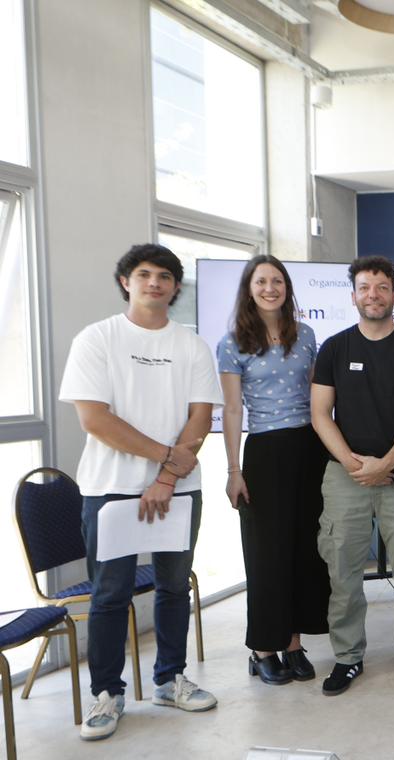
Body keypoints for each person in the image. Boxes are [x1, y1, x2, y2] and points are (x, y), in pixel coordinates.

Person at [61, 243, 223, 741]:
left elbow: (200, 417)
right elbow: (95, 419)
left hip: (180, 489)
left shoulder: (191, 345)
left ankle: (169, 680)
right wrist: (165, 459)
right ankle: (107, 694)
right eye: (145, 274)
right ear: (126, 282)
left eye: (165, 276)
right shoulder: (97, 338)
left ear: (175, 288)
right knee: (110, 595)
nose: (155, 283)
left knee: (174, 587)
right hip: (110, 488)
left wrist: (167, 478)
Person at [310, 256, 394, 697]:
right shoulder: (334, 348)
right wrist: (354, 464)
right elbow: (320, 414)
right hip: (345, 477)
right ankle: (348, 657)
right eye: (365, 287)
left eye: (382, 287)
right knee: (343, 573)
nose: (373, 295)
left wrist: (385, 464)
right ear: (353, 296)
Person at [217, 255, 329, 686]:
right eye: (261, 281)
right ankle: (263, 647)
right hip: (264, 452)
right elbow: (231, 410)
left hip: (308, 448)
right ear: (249, 289)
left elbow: (319, 397)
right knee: (266, 553)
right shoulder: (233, 343)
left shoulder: (306, 335)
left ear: (287, 288)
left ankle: (293, 642)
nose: (270, 288)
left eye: (277, 281)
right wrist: (233, 469)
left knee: (303, 550)